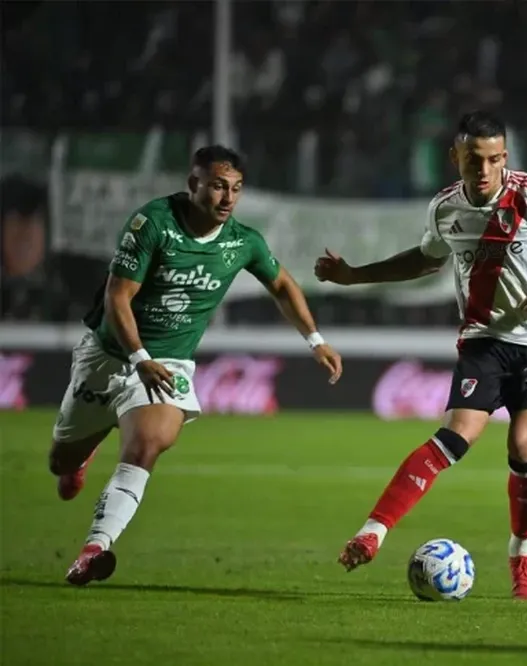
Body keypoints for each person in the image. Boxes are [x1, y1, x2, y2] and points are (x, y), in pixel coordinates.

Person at [314, 110, 527, 600]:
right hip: (482, 340)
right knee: (456, 435)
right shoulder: (444, 209)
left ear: (505, 158)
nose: (485, 170)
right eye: (474, 160)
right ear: (455, 157)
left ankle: (522, 552)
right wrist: (354, 276)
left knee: (524, 445)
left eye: (495, 159)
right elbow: (425, 259)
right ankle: (373, 531)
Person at [50, 145, 343, 586]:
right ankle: (85, 449)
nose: (228, 198)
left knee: (147, 445)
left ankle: (94, 548)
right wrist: (138, 357)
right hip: (110, 355)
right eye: (218, 186)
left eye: (236, 189)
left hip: (168, 363)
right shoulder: (153, 223)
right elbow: (117, 297)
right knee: (60, 463)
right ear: (194, 185)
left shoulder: (242, 242)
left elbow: (282, 283)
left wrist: (315, 339)